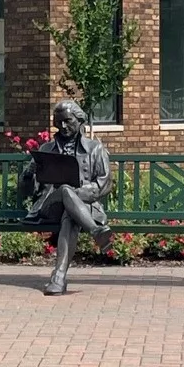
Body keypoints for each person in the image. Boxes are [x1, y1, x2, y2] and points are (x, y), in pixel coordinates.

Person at [18, 99, 113, 296]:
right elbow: (29, 191)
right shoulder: (46, 149)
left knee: (70, 216)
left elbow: (104, 184)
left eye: (68, 121)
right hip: (50, 206)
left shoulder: (95, 149)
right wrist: (28, 174)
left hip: (82, 207)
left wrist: (78, 195)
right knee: (65, 190)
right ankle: (96, 232)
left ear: (79, 121)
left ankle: (58, 278)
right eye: (59, 122)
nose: (63, 126)